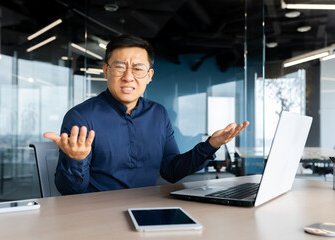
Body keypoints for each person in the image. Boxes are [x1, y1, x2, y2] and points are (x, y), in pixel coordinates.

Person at [44, 35, 249, 195]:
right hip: (98, 214)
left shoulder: (158, 114)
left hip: (147, 210)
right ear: (106, 70)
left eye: (137, 69)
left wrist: (211, 145)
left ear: (149, 76)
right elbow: (70, 191)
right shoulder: (80, 117)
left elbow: (171, 172)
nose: (128, 77)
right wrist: (75, 160)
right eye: (119, 67)